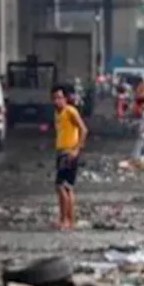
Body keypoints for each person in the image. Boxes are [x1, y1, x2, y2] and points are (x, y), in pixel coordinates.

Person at [52, 85, 88, 229]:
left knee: (62, 186)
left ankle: (67, 220)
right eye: (54, 98)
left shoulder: (70, 111)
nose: (57, 101)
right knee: (65, 187)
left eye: (59, 98)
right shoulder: (57, 113)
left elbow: (84, 129)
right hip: (61, 152)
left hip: (68, 153)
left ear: (66, 98)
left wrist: (77, 149)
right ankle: (65, 219)